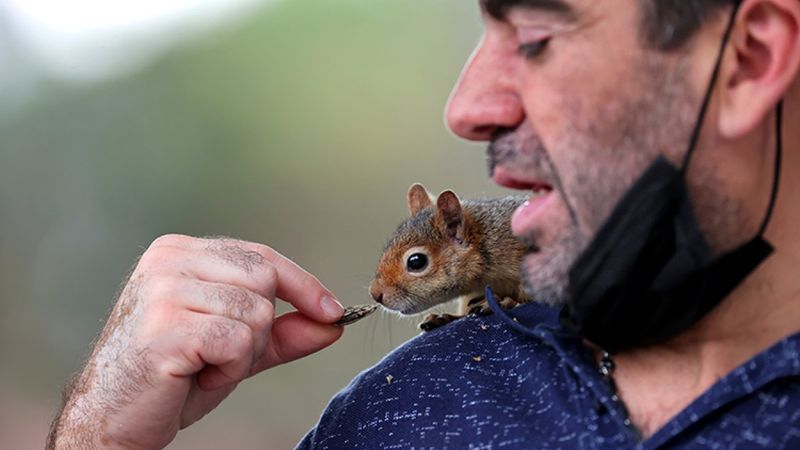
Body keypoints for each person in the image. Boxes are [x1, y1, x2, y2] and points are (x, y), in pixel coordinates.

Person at [48, 0, 800, 448]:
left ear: (748, 59)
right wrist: (100, 437)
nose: (466, 106)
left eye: (536, 37)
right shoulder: (410, 409)